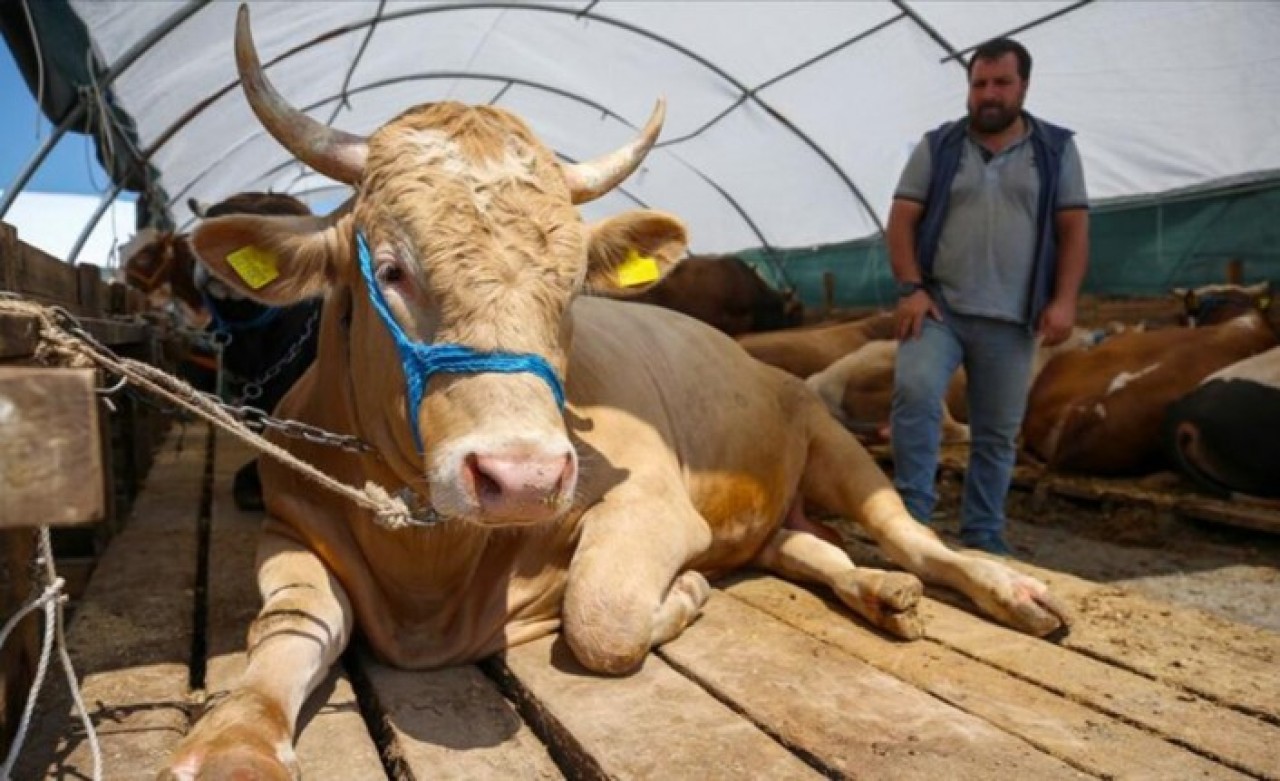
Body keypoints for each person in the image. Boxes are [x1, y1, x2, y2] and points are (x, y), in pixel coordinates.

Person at [886, 37, 1089, 555]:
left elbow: (1073, 230)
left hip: (1013, 314)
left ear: (1024, 86)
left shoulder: (1056, 150)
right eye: (979, 84)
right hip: (940, 309)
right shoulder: (939, 147)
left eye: (1001, 83)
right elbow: (902, 220)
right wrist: (911, 287)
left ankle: (982, 535)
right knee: (915, 392)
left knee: (997, 433)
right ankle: (911, 520)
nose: (988, 95)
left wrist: (1064, 301)